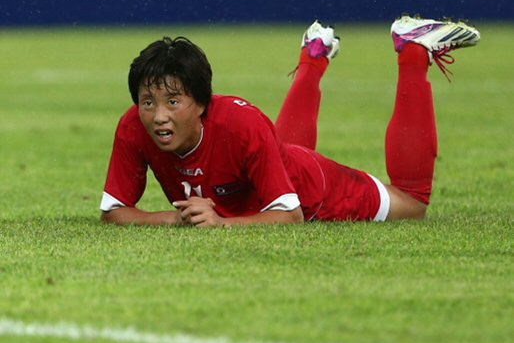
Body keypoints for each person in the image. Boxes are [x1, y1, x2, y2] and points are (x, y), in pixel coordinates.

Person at [100, 15, 480, 227]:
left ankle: (413, 50)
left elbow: (289, 215)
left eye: (173, 101)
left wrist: (222, 224)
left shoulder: (238, 123)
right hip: (272, 163)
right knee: (274, 149)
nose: (158, 115)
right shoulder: (135, 126)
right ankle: (314, 56)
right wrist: (170, 220)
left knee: (412, 204)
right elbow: (114, 211)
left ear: (201, 103)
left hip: (314, 192)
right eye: (147, 101)